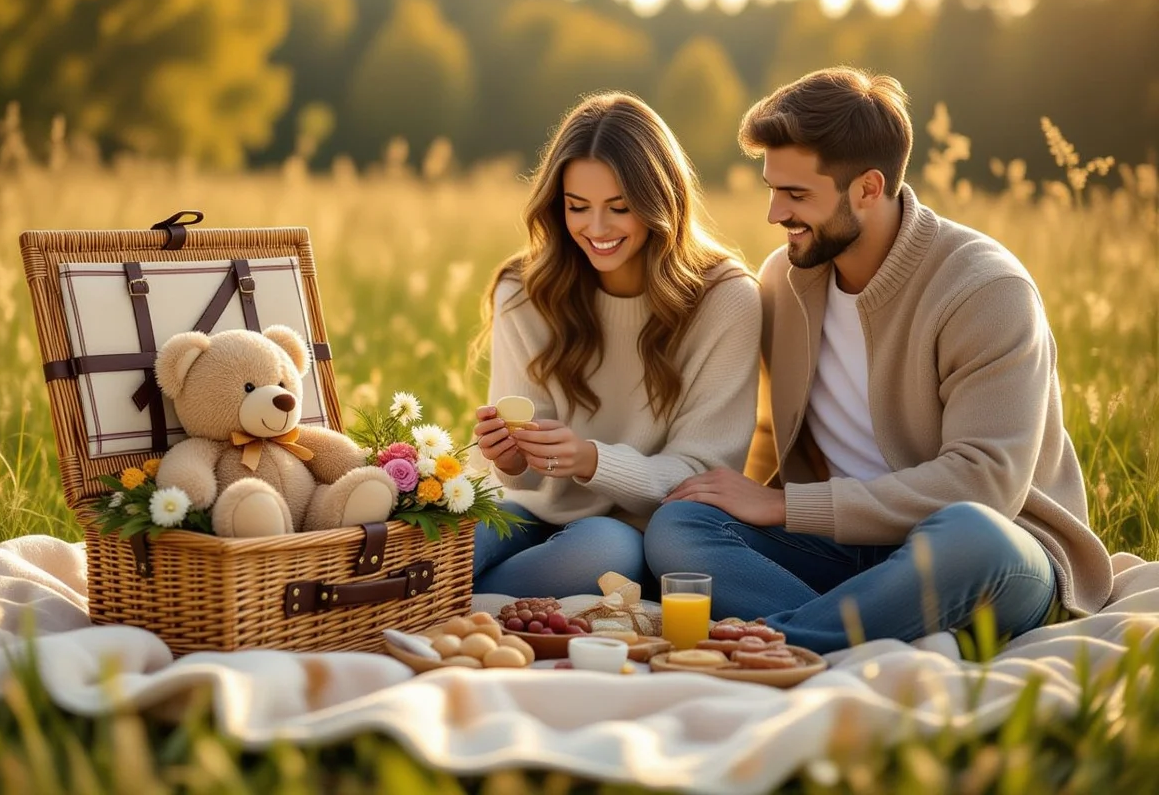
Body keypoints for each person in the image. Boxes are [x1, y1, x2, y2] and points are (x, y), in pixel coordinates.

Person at [644, 67, 1114, 654]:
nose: (772, 214)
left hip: (987, 552)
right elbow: (768, 437)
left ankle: (780, 640)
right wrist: (732, 498)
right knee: (681, 528)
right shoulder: (782, 282)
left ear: (868, 188)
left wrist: (785, 505)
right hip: (841, 549)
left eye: (795, 195)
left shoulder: (986, 290)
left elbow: (983, 483)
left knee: (971, 534)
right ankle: (858, 627)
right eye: (772, 188)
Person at [469, 91, 762, 598]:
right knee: (454, 534)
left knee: (601, 553)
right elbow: (518, 477)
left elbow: (701, 472)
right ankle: (424, 603)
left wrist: (591, 460)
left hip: (633, 530)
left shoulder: (727, 299)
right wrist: (510, 459)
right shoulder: (524, 291)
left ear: (660, 204)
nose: (596, 229)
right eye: (577, 207)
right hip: (527, 512)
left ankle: (445, 606)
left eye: (620, 208)